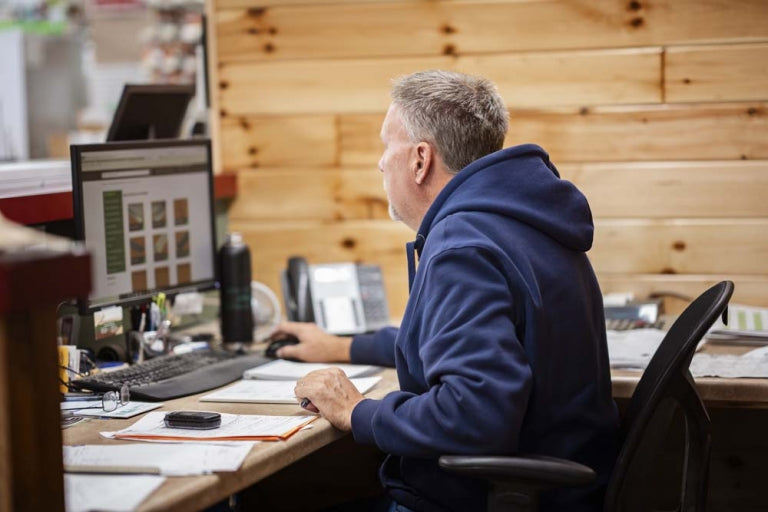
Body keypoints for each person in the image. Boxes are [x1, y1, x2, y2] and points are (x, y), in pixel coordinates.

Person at [273, 69, 619, 512]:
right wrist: (343, 346)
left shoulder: (463, 246)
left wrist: (356, 411)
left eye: (386, 146)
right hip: (567, 489)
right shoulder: (521, 219)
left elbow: (472, 413)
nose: (381, 163)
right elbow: (466, 339)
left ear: (420, 160)